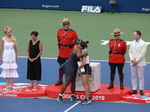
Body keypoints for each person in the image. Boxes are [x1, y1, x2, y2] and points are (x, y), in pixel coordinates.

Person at [57, 39, 88, 104]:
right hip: (70, 66)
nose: (77, 45)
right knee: (67, 82)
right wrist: (85, 53)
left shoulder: (78, 48)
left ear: (81, 46)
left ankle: (73, 96)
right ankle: (59, 96)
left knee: (73, 82)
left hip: (73, 66)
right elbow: (78, 56)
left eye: (79, 44)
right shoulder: (78, 49)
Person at [55, 18, 78, 86]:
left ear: (69, 24)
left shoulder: (73, 32)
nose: (65, 25)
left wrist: (74, 51)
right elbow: (59, 41)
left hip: (69, 51)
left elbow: (76, 42)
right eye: (64, 24)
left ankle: (69, 81)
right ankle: (60, 79)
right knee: (61, 66)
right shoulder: (59, 31)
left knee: (70, 67)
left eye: (66, 24)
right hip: (62, 51)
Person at [129, 30, 147, 95]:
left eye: (134, 35)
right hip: (133, 62)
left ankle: (141, 89)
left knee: (140, 76)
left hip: (140, 62)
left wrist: (136, 60)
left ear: (138, 35)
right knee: (133, 76)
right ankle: (134, 89)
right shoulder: (132, 43)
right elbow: (130, 52)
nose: (133, 36)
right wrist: (132, 59)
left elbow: (143, 53)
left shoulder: (143, 43)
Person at [78, 41, 92, 105]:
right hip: (86, 67)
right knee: (85, 83)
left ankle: (88, 98)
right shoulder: (84, 51)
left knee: (85, 83)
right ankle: (87, 97)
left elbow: (83, 63)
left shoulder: (83, 52)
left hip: (86, 68)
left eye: (78, 44)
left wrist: (78, 67)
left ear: (81, 46)